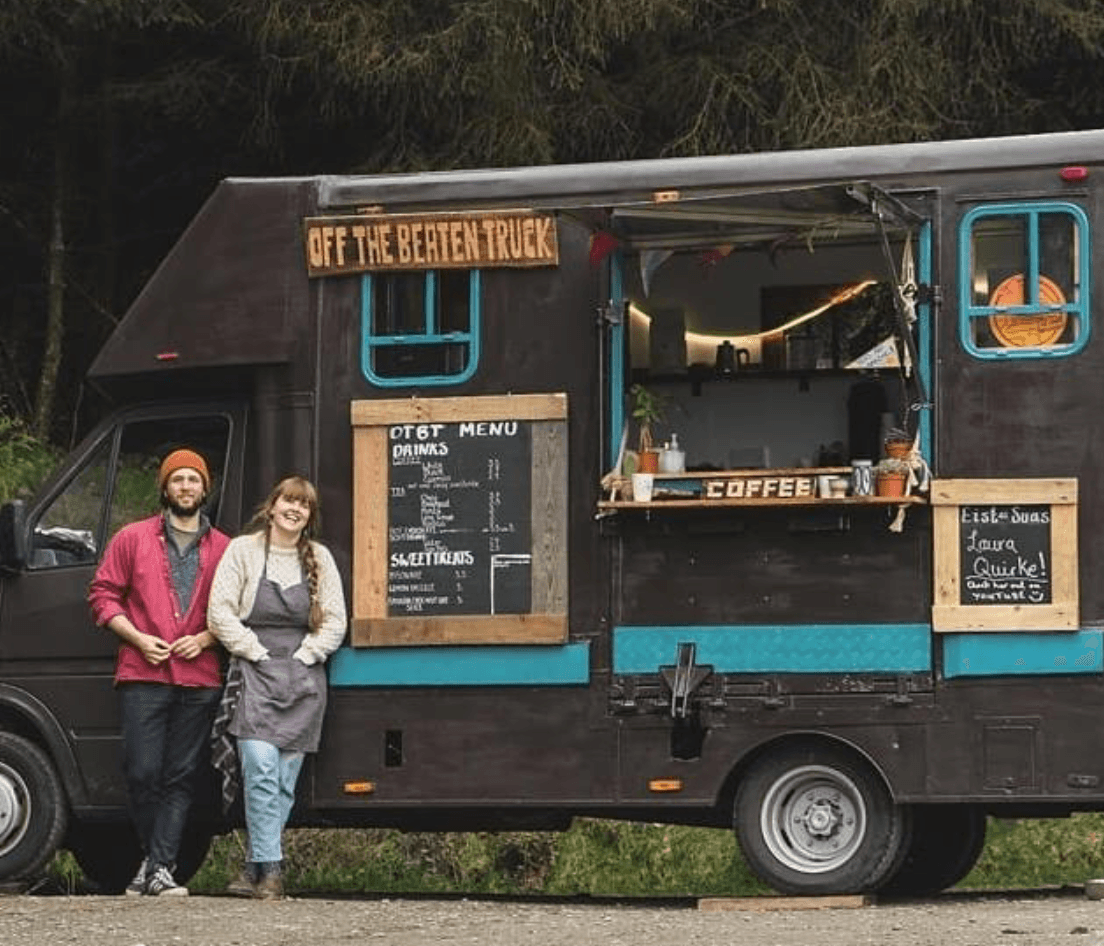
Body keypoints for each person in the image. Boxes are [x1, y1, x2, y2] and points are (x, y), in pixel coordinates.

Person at [88, 448, 230, 896]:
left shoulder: (226, 549)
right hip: (142, 674)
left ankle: (159, 868)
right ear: (165, 488)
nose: (186, 486)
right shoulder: (131, 538)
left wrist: (206, 639)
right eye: (178, 479)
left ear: (205, 489)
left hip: (200, 678)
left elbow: (240, 609)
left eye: (194, 479)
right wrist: (137, 638)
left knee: (181, 776)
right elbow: (103, 595)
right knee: (142, 771)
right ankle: (156, 863)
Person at [207, 475, 347, 899]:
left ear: (309, 515)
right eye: (288, 501)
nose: (294, 509)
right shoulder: (242, 551)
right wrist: (255, 651)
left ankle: (256, 868)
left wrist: (306, 655)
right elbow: (219, 613)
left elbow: (336, 621)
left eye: (304, 505)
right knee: (261, 771)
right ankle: (273, 870)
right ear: (271, 507)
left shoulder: (320, 558)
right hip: (255, 673)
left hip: (304, 679)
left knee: (284, 782)